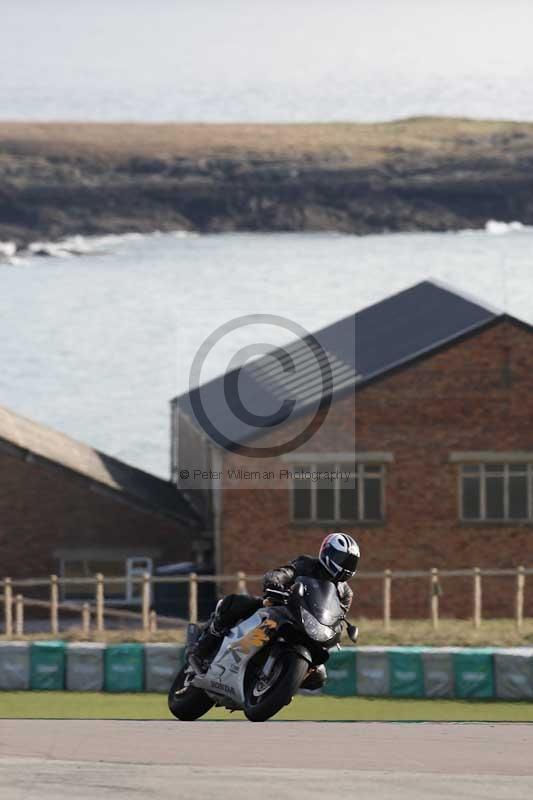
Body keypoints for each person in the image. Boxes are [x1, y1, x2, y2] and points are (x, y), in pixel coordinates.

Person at [189, 533, 360, 688]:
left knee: (320, 677)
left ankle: (279, 683)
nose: (345, 566)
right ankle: (205, 644)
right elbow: (285, 572)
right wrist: (275, 581)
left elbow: (337, 615)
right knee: (236, 603)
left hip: (309, 627)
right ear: (327, 552)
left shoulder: (345, 593)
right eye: (342, 559)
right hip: (282, 608)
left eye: (350, 562)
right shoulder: (306, 564)